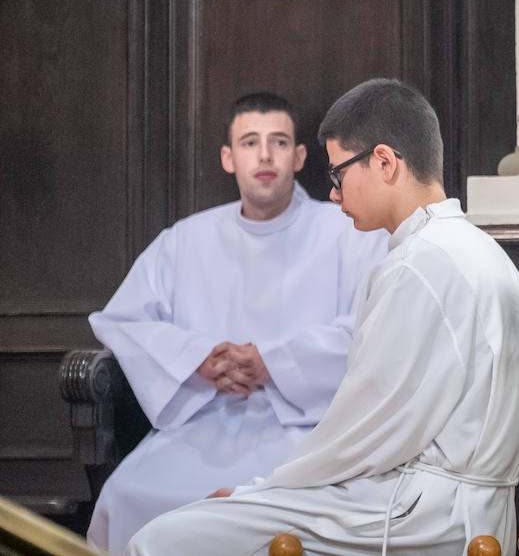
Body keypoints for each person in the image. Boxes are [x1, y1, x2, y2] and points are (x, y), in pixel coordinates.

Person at [127, 78, 519, 556]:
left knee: (160, 540)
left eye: (339, 173)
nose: (335, 195)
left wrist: (259, 490)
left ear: (384, 162)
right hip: (469, 505)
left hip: (420, 513)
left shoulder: (418, 265)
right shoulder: (476, 248)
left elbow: (364, 432)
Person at [87, 93, 387, 555]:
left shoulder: (346, 231)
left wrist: (273, 364)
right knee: (126, 496)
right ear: (229, 158)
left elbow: (372, 330)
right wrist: (197, 360)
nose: (264, 155)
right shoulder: (185, 240)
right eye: (250, 142)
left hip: (306, 431)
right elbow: (121, 320)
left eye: (279, 142)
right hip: (203, 422)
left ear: (300, 157)